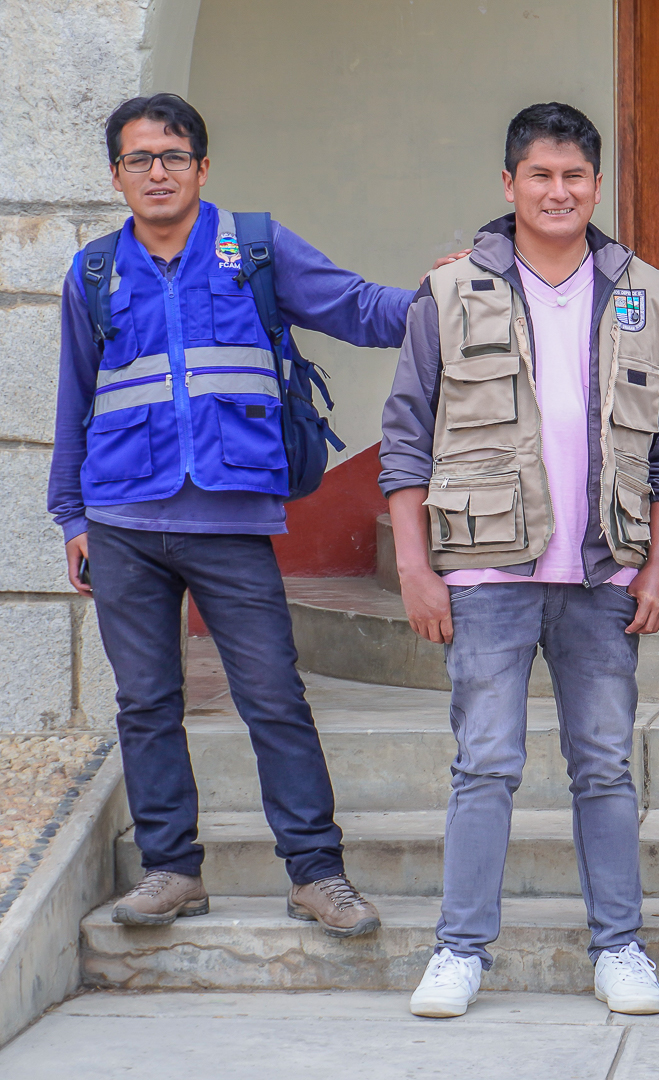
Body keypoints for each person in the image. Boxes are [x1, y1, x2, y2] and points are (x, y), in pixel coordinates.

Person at [47, 94, 411, 937]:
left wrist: (446, 294)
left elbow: (356, 306)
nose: (158, 172)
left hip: (229, 518)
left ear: (203, 168)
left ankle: (316, 874)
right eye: (140, 159)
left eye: (174, 156)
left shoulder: (252, 247)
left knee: (274, 697)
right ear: (117, 176)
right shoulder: (93, 273)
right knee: (145, 702)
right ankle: (173, 871)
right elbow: (76, 400)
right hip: (122, 520)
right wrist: (71, 515)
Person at [379, 102, 659, 1019]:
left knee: (603, 763)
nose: (559, 192)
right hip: (484, 575)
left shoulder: (647, 292)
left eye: (576, 177)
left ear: (598, 186)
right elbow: (404, 440)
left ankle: (620, 947)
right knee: (485, 762)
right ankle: (459, 948)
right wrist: (414, 567)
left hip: (603, 577)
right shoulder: (447, 292)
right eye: (540, 176)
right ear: (508, 183)